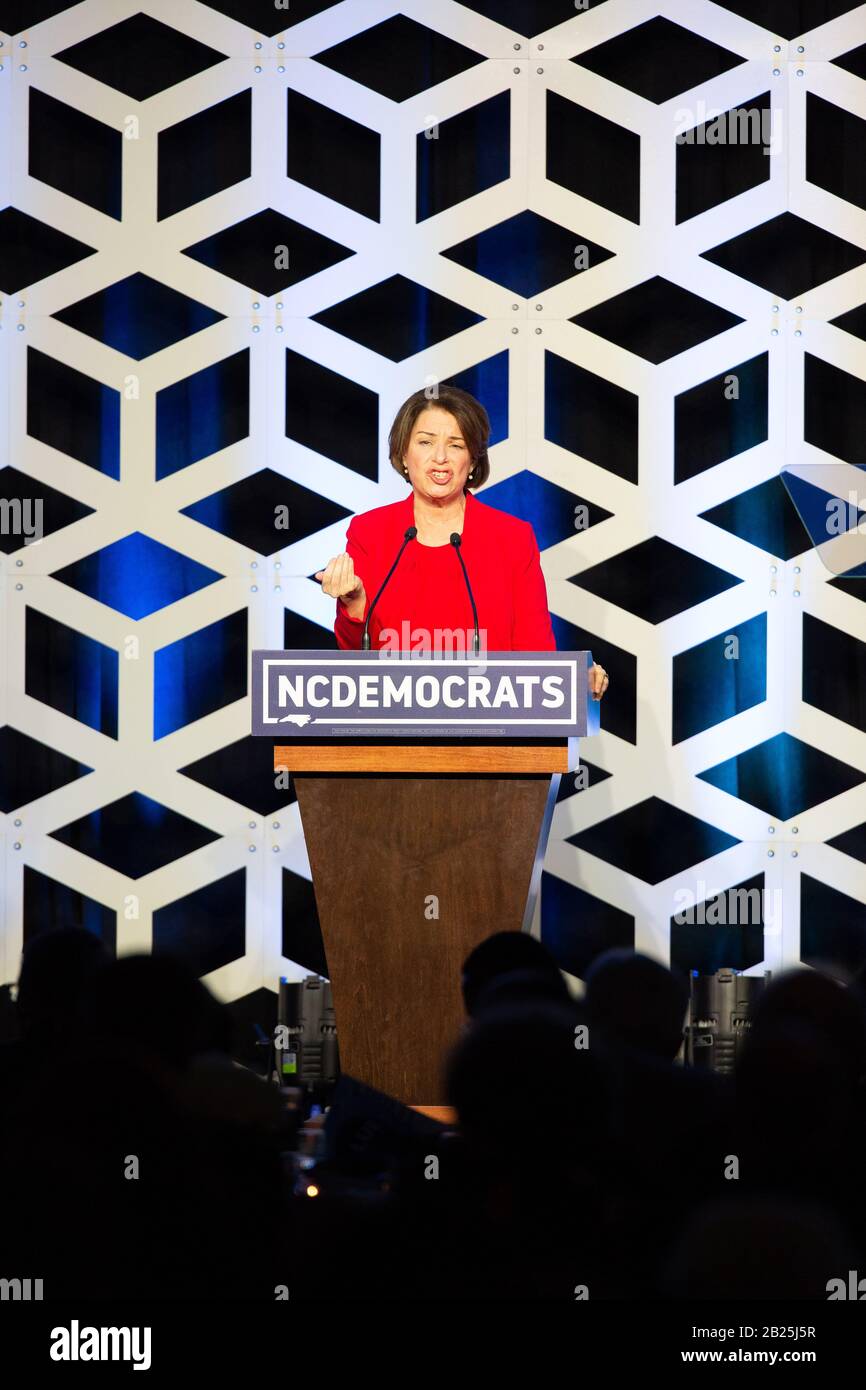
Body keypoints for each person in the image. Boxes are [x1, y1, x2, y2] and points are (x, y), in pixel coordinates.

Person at [315, 385, 609, 698]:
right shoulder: (370, 532)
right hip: (390, 729)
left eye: (455, 445)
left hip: (493, 733)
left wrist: (568, 682)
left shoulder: (511, 538)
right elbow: (355, 664)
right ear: (403, 453)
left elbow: (534, 651)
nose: (440, 458)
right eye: (425, 442)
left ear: (471, 461)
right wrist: (354, 603)